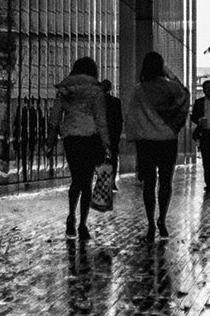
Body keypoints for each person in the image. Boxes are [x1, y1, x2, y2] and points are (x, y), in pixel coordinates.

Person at [126, 51, 190, 242]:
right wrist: (171, 74)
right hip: (167, 141)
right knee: (165, 182)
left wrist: (135, 140)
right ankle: (162, 218)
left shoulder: (140, 90)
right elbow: (185, 96)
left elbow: (132, 117)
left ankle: (150, 223)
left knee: (149, 184)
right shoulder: (171, 88)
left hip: (146, 143)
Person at [47, 57, 112, 239]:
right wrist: (107, 144)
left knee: (76, 179)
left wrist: (50, 143)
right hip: (91, 138)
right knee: (87, 182)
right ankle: (83, 224)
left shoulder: (65, 90)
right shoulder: (96, 91)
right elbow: (101, 121)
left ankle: (70, 216)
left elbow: (54, 119)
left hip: (71, 139)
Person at [102, 80, 124, 190]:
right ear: (110, 89)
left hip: (100, 135)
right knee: (113, 159)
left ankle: (102, 181)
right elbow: (119, 120)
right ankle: (112, 181)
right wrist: (117, 135)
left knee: (101, 158)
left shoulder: (98, 102)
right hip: (113, 135)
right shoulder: (116, 102)